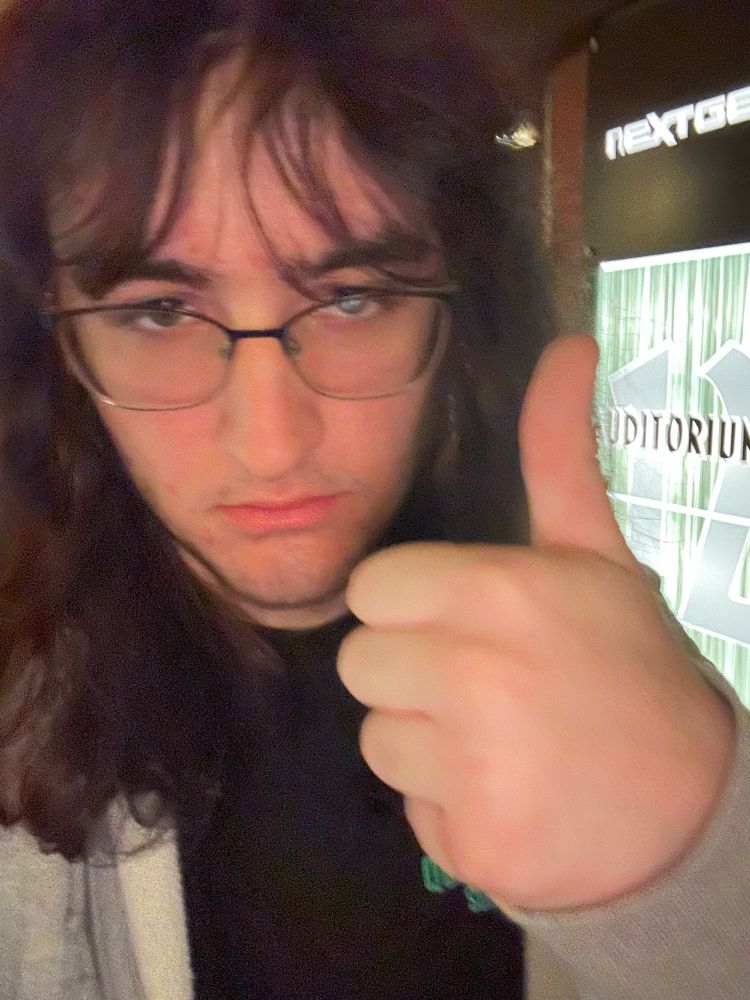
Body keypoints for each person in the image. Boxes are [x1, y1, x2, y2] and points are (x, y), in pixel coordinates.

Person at [0, 2, 747, 998]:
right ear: (57, 343)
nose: (271, 443)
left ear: (461, 312)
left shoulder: (609, 675)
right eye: (160, 312)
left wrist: (696, 874)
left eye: (353, 298)